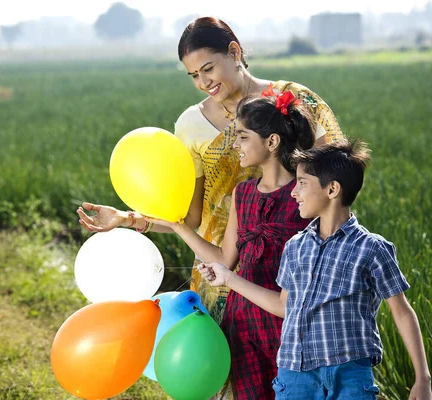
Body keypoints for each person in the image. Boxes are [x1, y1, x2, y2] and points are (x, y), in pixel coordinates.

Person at [77, 17, 342, 325]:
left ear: (234, 52)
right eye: (193, 76)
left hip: (296, 264)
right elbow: (189, 218)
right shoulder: (191, 125)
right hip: (220, 270)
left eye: (208, 69)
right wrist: (130, 219)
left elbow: (335, 177)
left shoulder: (290, 101)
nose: (203, 83)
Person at [199, 139, 432, 400]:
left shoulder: (372, 249)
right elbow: (283, 306)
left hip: (349, 376)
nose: (293, 192)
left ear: (332, 189)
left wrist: (422, 378)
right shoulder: (295, 247)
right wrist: (228, 277)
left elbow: (402, 312)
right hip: (294, 376)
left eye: (302, 183)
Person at [145, 91, 315, 399]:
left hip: (292, 328)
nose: (235, 144)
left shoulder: (303, 196)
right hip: (242, 326)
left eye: (243, 137)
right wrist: (178, 226)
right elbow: (226, 258)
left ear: (272, 142)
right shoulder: (243, 193)